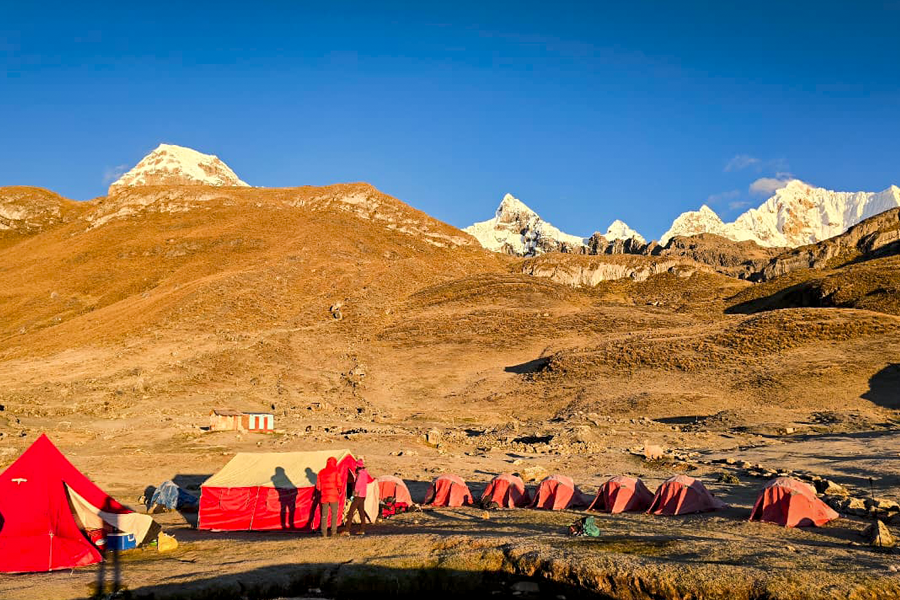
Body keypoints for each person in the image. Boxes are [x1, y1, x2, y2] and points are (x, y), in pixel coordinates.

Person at [347, 457, 374, 535]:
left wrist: (354, 493)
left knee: (351, 512)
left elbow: (358, 486)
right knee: (361, 512)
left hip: (358, 495)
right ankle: (362, 529)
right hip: (363, 495)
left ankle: (347, 530)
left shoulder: (360, 474)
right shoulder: (365, 473)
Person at [316, 457, 341, 537]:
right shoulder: (336, 472)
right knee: (334, 514)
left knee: (324, 515)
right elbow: (339, 484)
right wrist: (339, 492)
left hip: (324, 497)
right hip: (333, 496)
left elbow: (318, 487)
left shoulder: (321, 472)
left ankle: (324, 532)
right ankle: (333, 532)